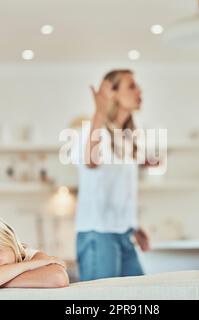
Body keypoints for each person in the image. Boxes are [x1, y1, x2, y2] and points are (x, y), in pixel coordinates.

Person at [75, 69, 151, 281]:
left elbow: (120, 190)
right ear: (113, 93)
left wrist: (133, 224)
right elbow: (91, 161)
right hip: (98, 234)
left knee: (142, 296)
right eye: (132, 86)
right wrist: (99, 112)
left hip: (123, 234)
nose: (139, 90)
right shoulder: (91, 131)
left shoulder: (126, 139)